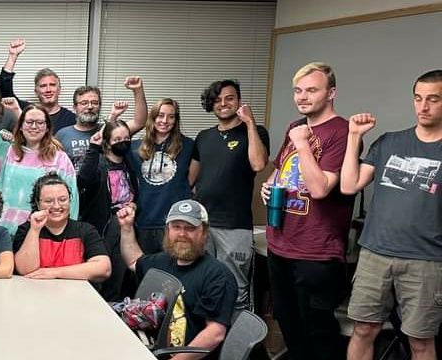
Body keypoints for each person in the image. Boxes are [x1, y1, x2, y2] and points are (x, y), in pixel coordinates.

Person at [341, 70, 442, 360]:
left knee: (421, 342)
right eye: (418, 98)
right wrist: (353, 137)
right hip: (375, 254)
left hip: (427, 261)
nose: (423, 106)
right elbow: (349, 185)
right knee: (362, 330)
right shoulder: (389, 143)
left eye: (433, 100)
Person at [260, 62, 354, 360]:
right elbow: (281, 172)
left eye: (311, 90)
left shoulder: (343, 132)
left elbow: (320, 188)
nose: (302, 97)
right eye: (298, 90)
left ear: (331, 93)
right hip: (280, 244)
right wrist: (269, 185)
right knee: (290, 328)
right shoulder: (294, 127)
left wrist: (302, 143)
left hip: (316, 252)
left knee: (318, 334)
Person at [117, 199, 237, 356]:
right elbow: (133, 261)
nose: (182, 234)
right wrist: (126, 228)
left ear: (205, 232)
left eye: (190, 228)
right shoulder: (162, 261)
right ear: (167, 230)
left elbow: (215, 333)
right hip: (149, 349)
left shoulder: (218, 275)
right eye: (176, 227)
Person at [192, 79, 270, 311]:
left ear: (238, 101)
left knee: (235, 289)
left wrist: (250, 124)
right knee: (204, 283)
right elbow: (190, 179)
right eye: (217, 100)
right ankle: (209, 338)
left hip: (235, 225)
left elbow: (258, 164)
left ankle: (238, 345)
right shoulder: (204, 137)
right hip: (203, 223)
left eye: (229, 98)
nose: (223, 104)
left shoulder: (254, 132)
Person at [0, 105, 79, 236]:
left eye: (40, 122)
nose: (34, 126)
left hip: (40, 231)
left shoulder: (59, 158)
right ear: (21, 126)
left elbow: (71, 198)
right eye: (29, 122)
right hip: (3, 230)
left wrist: (69, 232)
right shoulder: (7, 150)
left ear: (47, 128)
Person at [126, 98, 196, 254]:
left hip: (175, 222)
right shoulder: (134, 148)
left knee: (174, 271)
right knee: (145, 271)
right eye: (160, 115)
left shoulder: (189, 146)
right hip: (145, 220)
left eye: (171, 116)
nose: (165, 121)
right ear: (152, 117)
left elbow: (190, 180)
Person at [77, 119, 136, 300]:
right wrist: (93, 148)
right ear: (108, 143)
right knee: (97, 280)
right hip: (103, 227)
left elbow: (135, 193)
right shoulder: (99, 164)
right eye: (117, 139)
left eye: (126, 138)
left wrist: (133, 205)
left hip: (125, 227)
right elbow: (83, 180)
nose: (123, 142)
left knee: (117, 280)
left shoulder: (130, 163)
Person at [13, 173, 110, 282]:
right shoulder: (27, 229)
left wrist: (55, 272)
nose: (56, 206)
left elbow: (104, 268)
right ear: (38, 204)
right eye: (48, 201)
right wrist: (35, 230)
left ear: (70, 200)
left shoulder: (86, 230)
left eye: (62, 200)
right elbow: (24, 269)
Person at [56, 77, 148, 174]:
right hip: (75, 187)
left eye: (95, 103)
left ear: (99, 107)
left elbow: (139, 122)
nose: (90, 107)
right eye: (84, 103)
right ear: (75, 107)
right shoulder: (62, 134)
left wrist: (138, 90)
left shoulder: (110, 130)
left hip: (106, 186)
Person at [0, 39, 75, 133]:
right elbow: (5, 90)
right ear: (36, 91)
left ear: (59, 90)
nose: (48, 90)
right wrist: (12, 56)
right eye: (43, 86)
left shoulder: (70, 119)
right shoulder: (26, 110)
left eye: (52, 85)